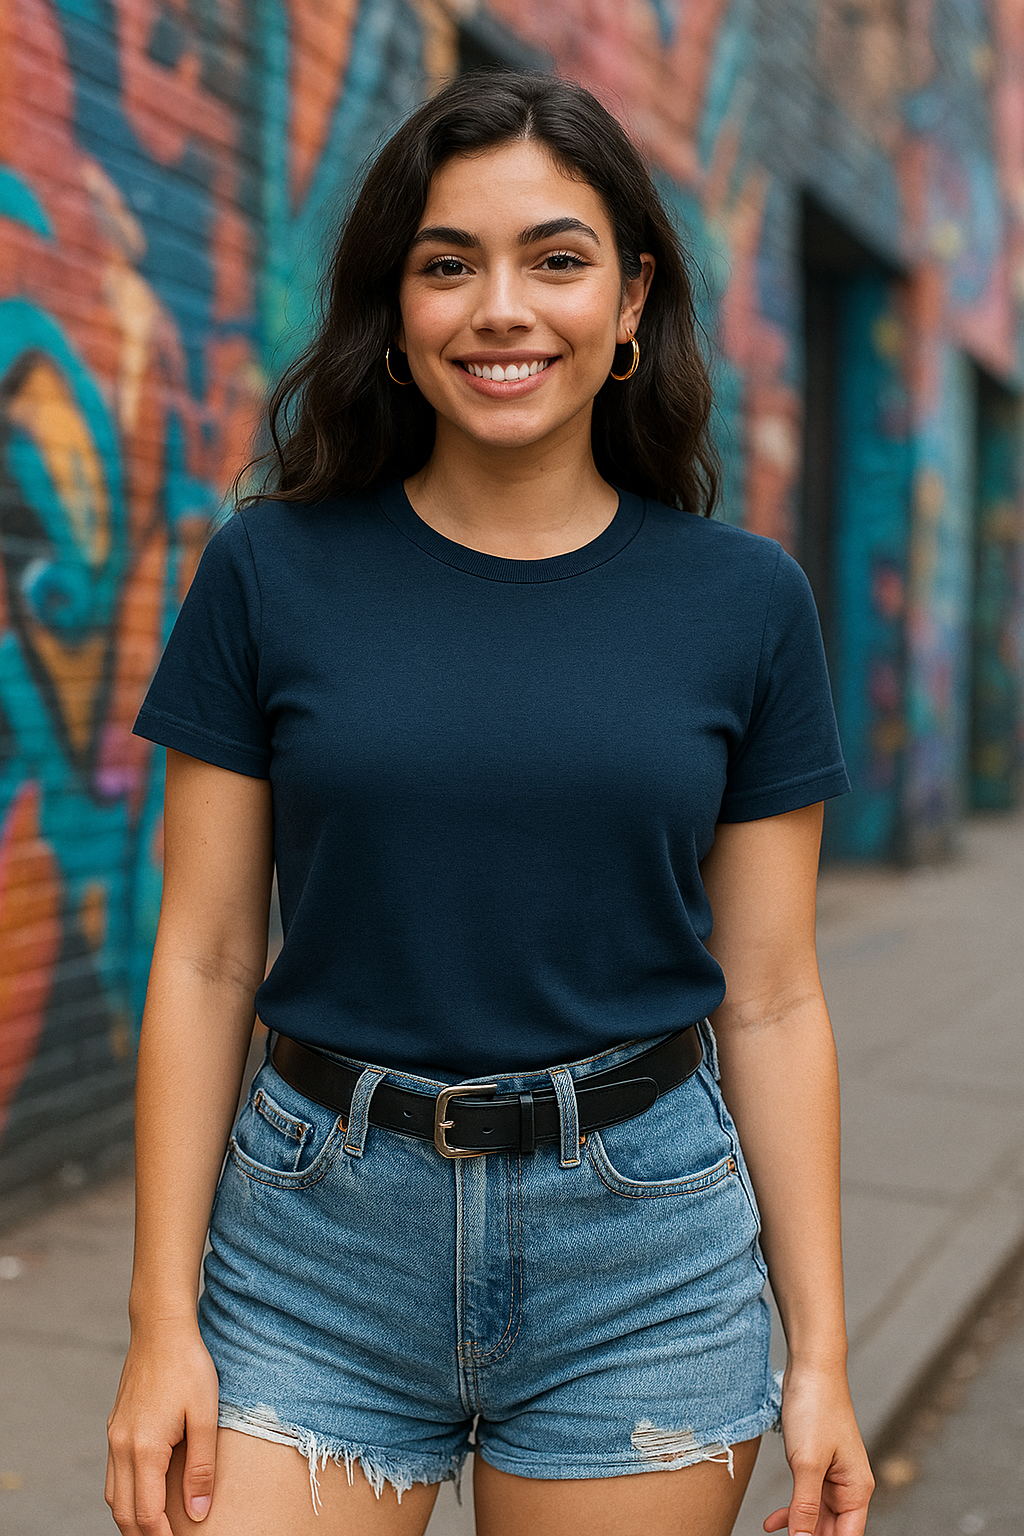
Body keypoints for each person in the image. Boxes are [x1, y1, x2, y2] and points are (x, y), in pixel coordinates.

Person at [106, 70, 874, 1536]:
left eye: (557, 259)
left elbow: (773, 997)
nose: (500, 308)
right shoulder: (270, 573)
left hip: (643, 1259)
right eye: (448, 264)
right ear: (395, 312)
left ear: (633, 300)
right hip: (311, 1248)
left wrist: (824, 1353)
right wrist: (159, 1325)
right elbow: (204, 960)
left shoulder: (748, 604)